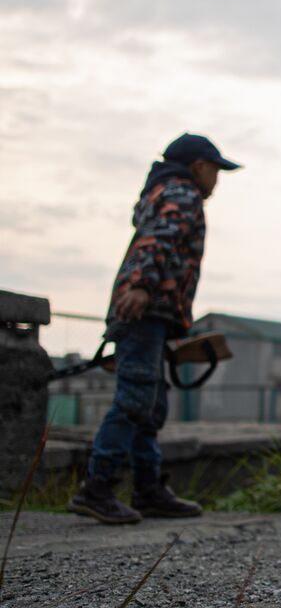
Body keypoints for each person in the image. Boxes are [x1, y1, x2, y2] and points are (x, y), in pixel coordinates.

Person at [66, 133, 241, 524]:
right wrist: (143, 287)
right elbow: (158, 242)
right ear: (199, 167)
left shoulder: (165, 192)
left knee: (149, 404)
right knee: (135, 399)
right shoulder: (182, 194)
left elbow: (153, 240)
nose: (217, 179)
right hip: (146, 309)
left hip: (154, 313)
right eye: (215, 169)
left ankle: (148, 490)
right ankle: (97, 488)